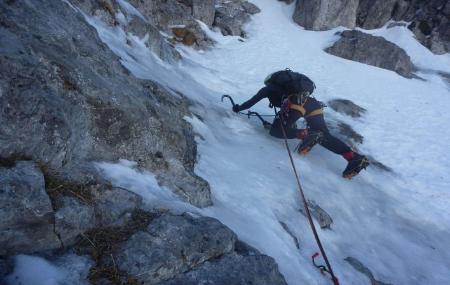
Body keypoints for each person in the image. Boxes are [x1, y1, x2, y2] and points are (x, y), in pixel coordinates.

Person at [232, 70, 369, 179]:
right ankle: (353, 157)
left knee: (276, 131)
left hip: (296, 103)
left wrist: (238, 108)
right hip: (313, 104)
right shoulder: (294, 88)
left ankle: (308, 134)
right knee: (324, 135)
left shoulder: (268, 88)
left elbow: (252, 101)